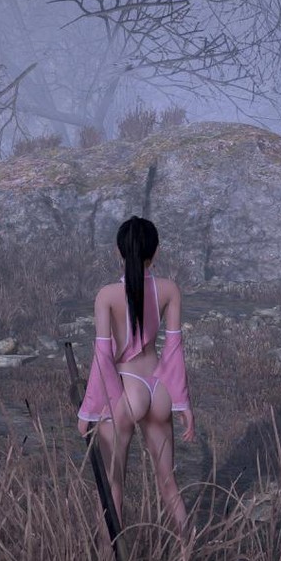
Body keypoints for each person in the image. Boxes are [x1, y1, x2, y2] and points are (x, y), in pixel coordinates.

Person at [77, 215, 196, 540]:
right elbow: (174, 349)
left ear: (119, 251)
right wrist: (182, 402)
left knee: (112, 488)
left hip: (127, 389)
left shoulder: (107, 295)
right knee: (169, 484)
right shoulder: (169, 290)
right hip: (159, 389)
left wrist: (89, 410)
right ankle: (190, 558)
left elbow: (103, 355)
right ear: (154, 252)